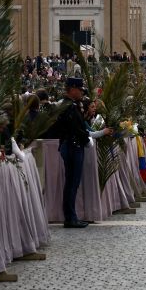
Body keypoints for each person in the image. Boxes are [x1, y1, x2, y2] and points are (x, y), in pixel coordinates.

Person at [54, 78, 92, 229]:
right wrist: (86, 139)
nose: (82, 92)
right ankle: (70, 217)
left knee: (72, 183)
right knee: (72, 183)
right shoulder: (68, 106)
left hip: (73, 145)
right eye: (79, 89)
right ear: (72, 89)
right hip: (72, 145)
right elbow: (75, 128)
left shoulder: (71, 105)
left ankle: (72, 215)